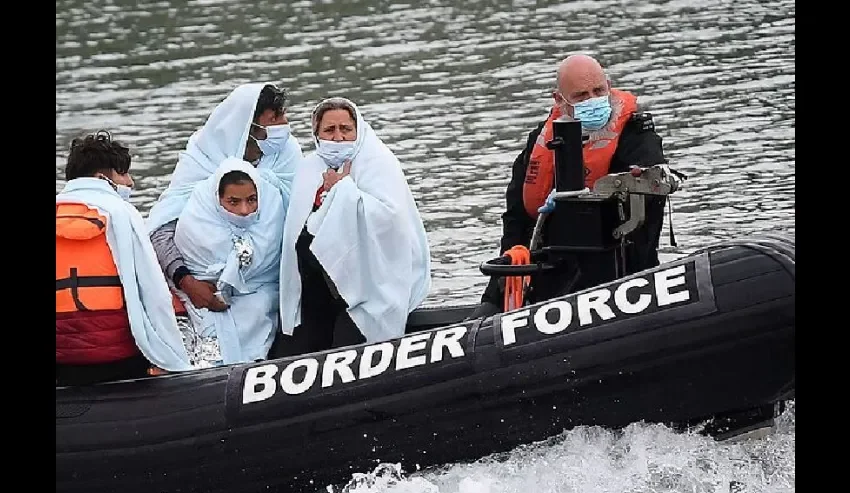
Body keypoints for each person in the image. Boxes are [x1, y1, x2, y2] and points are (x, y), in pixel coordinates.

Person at [472, 53, 669, 318]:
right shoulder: (542, 142)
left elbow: (649, 199)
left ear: (608, 86)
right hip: (553, 280)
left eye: (599, 91)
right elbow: (516, 219)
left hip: (620, 275)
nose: (593, 100)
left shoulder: (635, 135)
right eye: (581, 96)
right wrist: (494, 297)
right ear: (560, 101)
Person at [275, 97, 432, 356]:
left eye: (346, 129)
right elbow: (296, 232)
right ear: (316, 134)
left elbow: (389, 219)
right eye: (329, 130)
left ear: (358, 130)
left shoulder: (378, 162)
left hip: (371, 290)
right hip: (318, 288)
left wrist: (341, 191)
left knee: (348, 345)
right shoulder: (308, 169)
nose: (338, 138)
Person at [147, 82, 302, 314]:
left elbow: (302, 216)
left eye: (283, 116)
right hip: (203, 287)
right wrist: (188, 283)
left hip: (272, 283)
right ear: (248, 126)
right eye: (274, 119)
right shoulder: (203, 159)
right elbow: (161, 232)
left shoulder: (286, 154)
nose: (284, 125)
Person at [56, 131, 192, 386]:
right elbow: (154, 295)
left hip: (63, 360)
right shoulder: (120, 212)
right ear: (101, 178)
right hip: (117, 359)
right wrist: (174, 360)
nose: (130, 182)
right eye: (123, 173)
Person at [173, 157, 284, 365]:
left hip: (259, 291)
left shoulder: (271, 214)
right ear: (217, 199)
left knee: (259, 307)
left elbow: (268, 267)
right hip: (201, 294)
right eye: (233, 202)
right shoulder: (197, 219)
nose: (244, 210)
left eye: (251, 200)